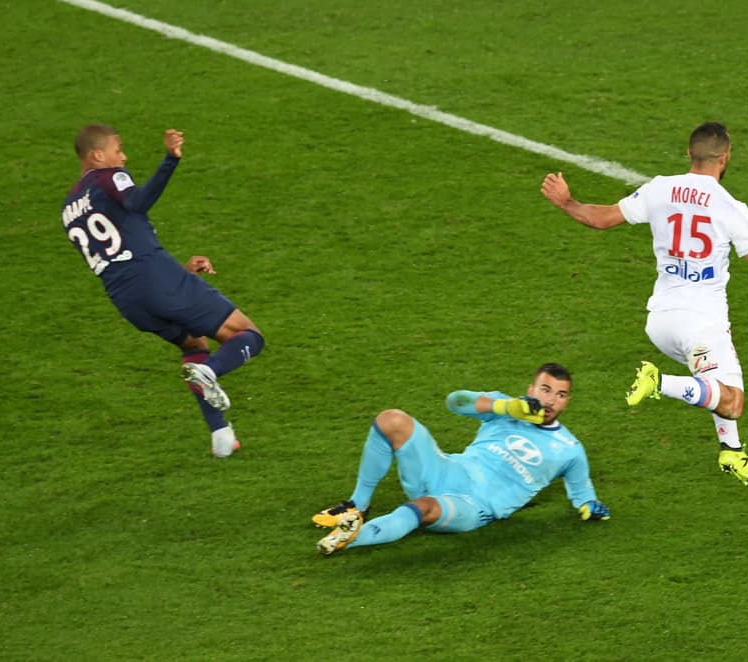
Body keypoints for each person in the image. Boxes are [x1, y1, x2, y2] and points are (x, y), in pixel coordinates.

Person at [540, 121, 748, 486]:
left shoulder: (660, 189)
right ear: (726, 156)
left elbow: (602, 218)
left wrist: (566, 201)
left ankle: (732, 452)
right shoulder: (729, 207)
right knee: (732, 401)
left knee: (724, 383)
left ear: (689, 154)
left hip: (660, 320)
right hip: (699, 324)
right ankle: (660, 383)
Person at [61, 124, 264, 458]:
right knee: (247, 335)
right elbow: (138, 202)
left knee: (194, 343)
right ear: (98, 155)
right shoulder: (110, 176)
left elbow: (117, 251)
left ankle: (221, 435)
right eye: (118, 148)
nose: (123, 156)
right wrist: (170, 159)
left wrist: (178, 273)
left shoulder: (68, 208)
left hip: (127, 298)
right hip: (156, 278)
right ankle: (211, 372)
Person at [312, 362, 610, 556]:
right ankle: (356, 507)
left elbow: (584, 497)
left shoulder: (570, 448)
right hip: (446, 470)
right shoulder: (505, 407)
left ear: (567, 401)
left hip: (474, 506)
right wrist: (507, 407)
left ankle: (351, 536)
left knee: (424, 508)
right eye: (545, 390)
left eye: (560, 395)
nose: (549, 401)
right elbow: (454, 402)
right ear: (531, 389)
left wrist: (590, 508)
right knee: (392, 420)